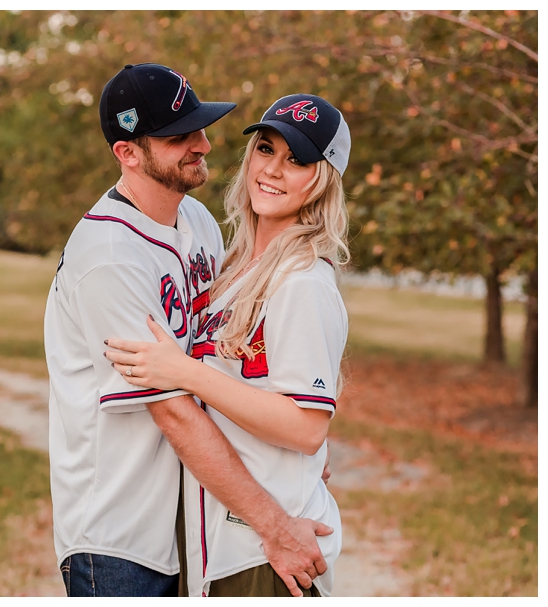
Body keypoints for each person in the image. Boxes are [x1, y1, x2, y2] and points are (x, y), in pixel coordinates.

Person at [45, 64, 332, 598]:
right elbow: (173, 407)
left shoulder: (197, 221)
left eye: (200, 126)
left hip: (191, 523)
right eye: (179, 137)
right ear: (127, 153)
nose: (202, 144)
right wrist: (275, 526)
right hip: (119, 537)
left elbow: (225, 356)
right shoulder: (109, 257)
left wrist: (294, 446)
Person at [105, 93, 351, 596]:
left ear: (322, 179)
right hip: (219, 547)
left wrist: (186, 373)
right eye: (266, 149)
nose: (274, 170)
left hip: (269, 551)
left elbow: (306, 429)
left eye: (298, 159)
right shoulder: (233, 272)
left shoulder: (303, 280)